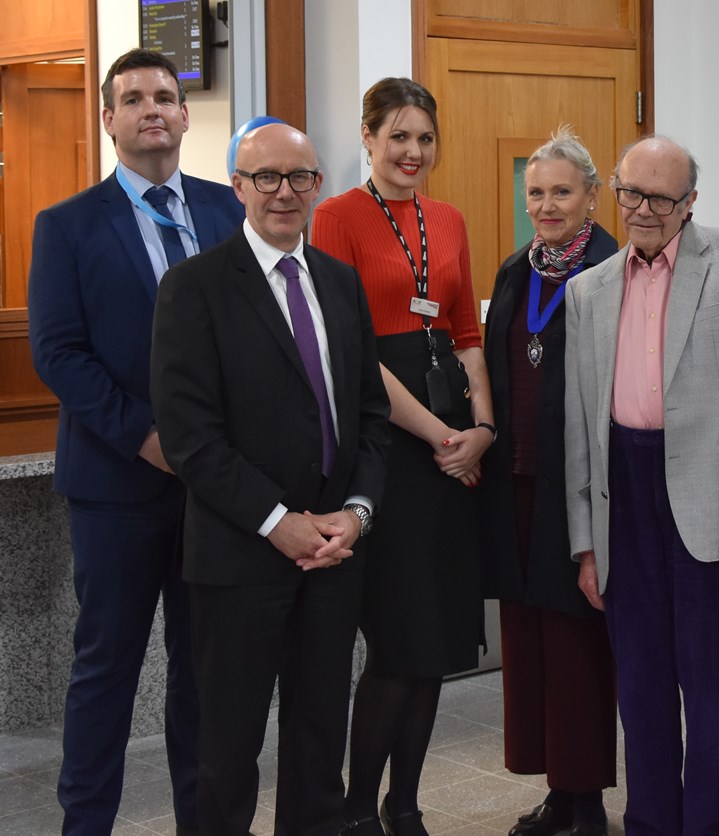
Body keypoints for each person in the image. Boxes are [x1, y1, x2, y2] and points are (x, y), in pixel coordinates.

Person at [149, 122, 392, 834]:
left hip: (334, 555)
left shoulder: (341, 284)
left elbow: (370, 417)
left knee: (320, 744)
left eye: (300, 177)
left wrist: (357, 511)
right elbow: (191, 439)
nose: (284, 192)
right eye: (266, 178)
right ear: (238, 188)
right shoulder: (193, 288)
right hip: (240, 556)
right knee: (227, 751)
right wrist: (277, 522)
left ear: (319, 184)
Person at [26, 48, 243, 836]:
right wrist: (147, 437)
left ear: (186, 116)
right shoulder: (67, 226)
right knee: (106, 672)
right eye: (134, 99)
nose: (152, 108)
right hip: (118, 488)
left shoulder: (229, 213)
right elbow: (58, 354)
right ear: (110, 119)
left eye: (165, 95)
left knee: (203, 675)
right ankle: (84, 826)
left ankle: (204, 823)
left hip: (215, 492)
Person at [565, 135, 719, 835]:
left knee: (712, 688)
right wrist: (585, 545)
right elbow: (580, 426)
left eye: (662, 197)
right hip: (623, 502)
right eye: (632, 193)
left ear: (690, 202)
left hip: (712, 507)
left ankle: (713, 825)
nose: (644, 209)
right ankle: (652, 823)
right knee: (642, 690)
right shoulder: (587, 289)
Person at [310, 77, 493, 836]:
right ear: (367, 136)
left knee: (438, 646)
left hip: (452, 444)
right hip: (390, 443)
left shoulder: (446, 219)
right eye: (398, 137)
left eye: (424, 138)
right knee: (399, 640)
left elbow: (465, 333)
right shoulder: (335, 217)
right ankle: (358, 808)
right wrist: (439, 435)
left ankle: (405, 804)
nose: (412, 152)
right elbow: (350, 349)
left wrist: (482, 424)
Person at [480, 126, 619, 836]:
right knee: (530, 643)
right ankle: (556, 794)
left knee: (577, 646)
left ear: (593, 197)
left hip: (581, 489)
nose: (546, 204)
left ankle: (587, 800)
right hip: (518, 483)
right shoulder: (515, 271)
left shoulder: (614, 269)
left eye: (562, 191)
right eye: (535, 192)